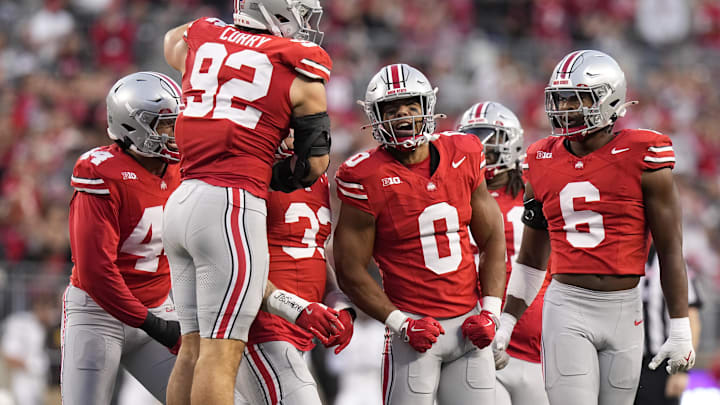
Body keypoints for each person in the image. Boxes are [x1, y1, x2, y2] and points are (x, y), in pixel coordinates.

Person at [496, 50, 695, 405]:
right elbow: (531, 258)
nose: (566, 107)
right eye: (561, 98)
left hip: (625, 308)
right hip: (568, 305)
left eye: (578, 98)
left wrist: (680, 327)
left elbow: (669, 250)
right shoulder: (541, 158)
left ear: (610, 97)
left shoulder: (644, 154)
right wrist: (508, 319)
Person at [162, 1, 333, 403]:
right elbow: (314, 164)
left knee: (191, 348)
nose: (305, 27)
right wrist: (267, 170)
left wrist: (231, 32)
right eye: (301, 15)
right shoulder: (300, 70)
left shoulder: (202, 38)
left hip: (182, 199)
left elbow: (172, 40)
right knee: (221, 353)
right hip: (231, 206)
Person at [333, 63, 507, 405]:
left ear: (428, 107)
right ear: (376, 116)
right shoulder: (362, 175)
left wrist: (491, 312)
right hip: (411, 332)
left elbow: (492, 239)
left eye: (412, 105)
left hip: (469, 328)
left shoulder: (465, 152)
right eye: (392, 108)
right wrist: (400, 323)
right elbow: (349, 269)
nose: (403, 114)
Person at [61, 71, 184, 405]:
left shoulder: (180, 167)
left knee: (208, 397)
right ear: (133, 126)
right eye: (163, 125)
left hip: (159, 308)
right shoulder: (100, 171)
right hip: (100, 314)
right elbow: (95, 272)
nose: (174, 134)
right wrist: (155, 325)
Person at [234, 139, 354, 405]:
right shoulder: (248, 173)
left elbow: (313, 252)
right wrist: (296, 307)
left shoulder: (318, 177)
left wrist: (336, 301)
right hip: (261, 328)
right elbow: (235, 263)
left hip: (300, 331)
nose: (294, 135)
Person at [457, 101, 550, 405]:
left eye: (489, 135)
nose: (483, 146)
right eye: (474, 137)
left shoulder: (537, 190)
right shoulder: (456, 196)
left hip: (539, 337)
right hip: (480, 336)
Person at [634, 245, 702, 405]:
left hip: (661, 363)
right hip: (623, 361)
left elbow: (692, 318)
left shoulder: (673, 260)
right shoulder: (624, 256)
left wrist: (682, 370)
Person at [1, 293, 56, 405]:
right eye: (49, 309)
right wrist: (32, 366)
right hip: (20, 381)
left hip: (39, 383)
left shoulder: (47, 328)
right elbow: (8, 354)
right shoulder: (19, 323)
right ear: (39, 307)